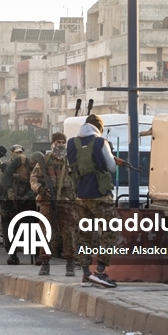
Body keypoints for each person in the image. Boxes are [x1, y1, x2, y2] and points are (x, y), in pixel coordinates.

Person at [67, 115, 124, 287]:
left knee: (82, 234)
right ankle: (100, 271)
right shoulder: (101, 142)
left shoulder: (71, 143)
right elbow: (111, 168)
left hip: (80, 196)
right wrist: (111, 157)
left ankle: (85, 274)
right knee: (110, 231)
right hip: (100, 196)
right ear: (98, 128)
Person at [30, 132, 78, 276]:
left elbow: (78, 179)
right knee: (45, 233)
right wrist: (40, 189)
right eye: (58, 141)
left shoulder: (70, 161)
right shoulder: (44, 161)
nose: (61, 144)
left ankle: (70, 264)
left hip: (66, 202)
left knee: (68, 233)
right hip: (47, 201)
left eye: (63, 141)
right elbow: (33, 179)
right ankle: (45, 263)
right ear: (53, 143)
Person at [0, 145, 35, 264]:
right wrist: (9, 192)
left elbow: (33, 183)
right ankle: (12, 254)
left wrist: (27, 196)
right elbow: (1, 182)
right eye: (16, 152)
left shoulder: (28, 165)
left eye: (20, 152)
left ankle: (36, 254)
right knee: (8, 227)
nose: (18, 154)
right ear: (11, 153)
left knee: (32, 224)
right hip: (8, 200)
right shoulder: (6, 167)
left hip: (24, 199)